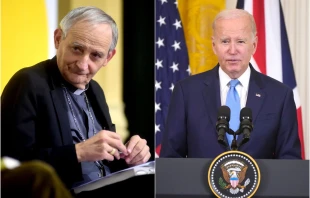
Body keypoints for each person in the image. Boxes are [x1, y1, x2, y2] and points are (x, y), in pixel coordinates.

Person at [1, 6, 151, 192]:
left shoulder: (95, 90)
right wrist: (78, 152)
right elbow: (13, 165)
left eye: (95, 55)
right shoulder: (28, 82)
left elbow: (102, 164)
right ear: (58, 39)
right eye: (77, 49)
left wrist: (129, 156)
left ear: (108, 58)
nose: (82, 64)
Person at [159, 8, 302, 159]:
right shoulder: (186, 92)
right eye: (225, 41)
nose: (232, 50)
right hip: (198, 182)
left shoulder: (280, 95)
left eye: (240, 41)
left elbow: (289, 161)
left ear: (254, 44)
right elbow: (171, 159)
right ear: (214, 45)